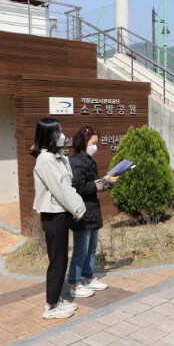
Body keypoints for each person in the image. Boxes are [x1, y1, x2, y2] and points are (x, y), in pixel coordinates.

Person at [31, 118, 86, 319]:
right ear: (50, 135)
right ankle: (51, 307)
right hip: (54, 215)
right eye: (59, 132)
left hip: (60, 213)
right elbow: (61, 189)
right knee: (57, 262)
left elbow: (66, 184)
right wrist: (78, 209)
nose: (63, 135)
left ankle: (55, 300)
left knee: (60, 259)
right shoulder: (45, 160)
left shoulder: (54, 157)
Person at [68, 126, 119, 298]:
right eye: (93, 143)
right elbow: (78, 188)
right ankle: (74, 284)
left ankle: (88, 278)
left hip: (93, 209)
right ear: (83, 142)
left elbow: (93, 186)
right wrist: (103, 181)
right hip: (81, 211)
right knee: (80, 250)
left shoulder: (89, 160)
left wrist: (107, 182)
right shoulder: (74, 162)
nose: (96, 147)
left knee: (91, 248)